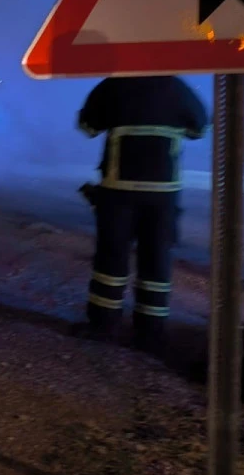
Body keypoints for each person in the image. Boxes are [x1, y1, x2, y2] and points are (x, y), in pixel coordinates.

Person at [74, 75, 208, 355]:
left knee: (111, 259)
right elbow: (199, 129)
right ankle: (150, 334)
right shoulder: (177, 87)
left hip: (119, 191)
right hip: (163, 194)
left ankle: (103, 326)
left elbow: (87, 127)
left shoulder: (113, 86)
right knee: (157, 260)